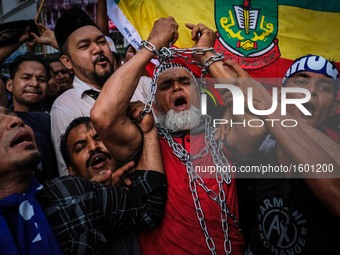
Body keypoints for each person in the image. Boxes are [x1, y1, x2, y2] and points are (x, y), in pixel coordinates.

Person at [91, 17, 245, 254]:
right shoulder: (145, 142)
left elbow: (252, 109)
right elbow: (103, 115)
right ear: (153, 103)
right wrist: (152, 44)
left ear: (201, 95)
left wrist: (205, 53)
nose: (176, 88)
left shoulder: (224, 132)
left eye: (185, 82)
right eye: (165, 86)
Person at [0, 103, 166, 254]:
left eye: (12, 114)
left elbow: (148, 208)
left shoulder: (73, 194)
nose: (16, 121)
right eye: (80, 147)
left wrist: (148, 131)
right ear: (71, 170)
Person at [217, 55, 340, 254]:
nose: (310, 91)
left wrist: (267, 106)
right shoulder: (259, 145)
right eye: (301, 81)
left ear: (335, 108)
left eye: (325, 87)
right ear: (281, 94)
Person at [50, 7, 119, 176]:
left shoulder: (142, 85)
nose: (97, 49)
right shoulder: (64, 108)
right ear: (67, 62)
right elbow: (71, 176)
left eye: (101, 42)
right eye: (84, 46)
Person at [4, 53, 58, 181]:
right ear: (10, 85)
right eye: (26, 77)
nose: (34, 83)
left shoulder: (55, 117)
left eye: (41, 79)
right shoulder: (4, 123)